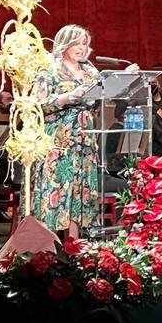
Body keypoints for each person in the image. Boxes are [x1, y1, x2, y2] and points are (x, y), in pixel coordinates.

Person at [30, 24, 137, 236]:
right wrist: (66, 98)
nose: (82, 48)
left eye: (85, 43)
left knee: (80, 191)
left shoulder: (89, 71)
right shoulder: (49, 69)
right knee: (58, 188)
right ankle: (49, 245)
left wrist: (124, 78)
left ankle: (75, 242)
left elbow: (102, 95)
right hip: (59, 141)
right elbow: (37, 104)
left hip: (85, 140)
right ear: (65, 44)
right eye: (77, 43)